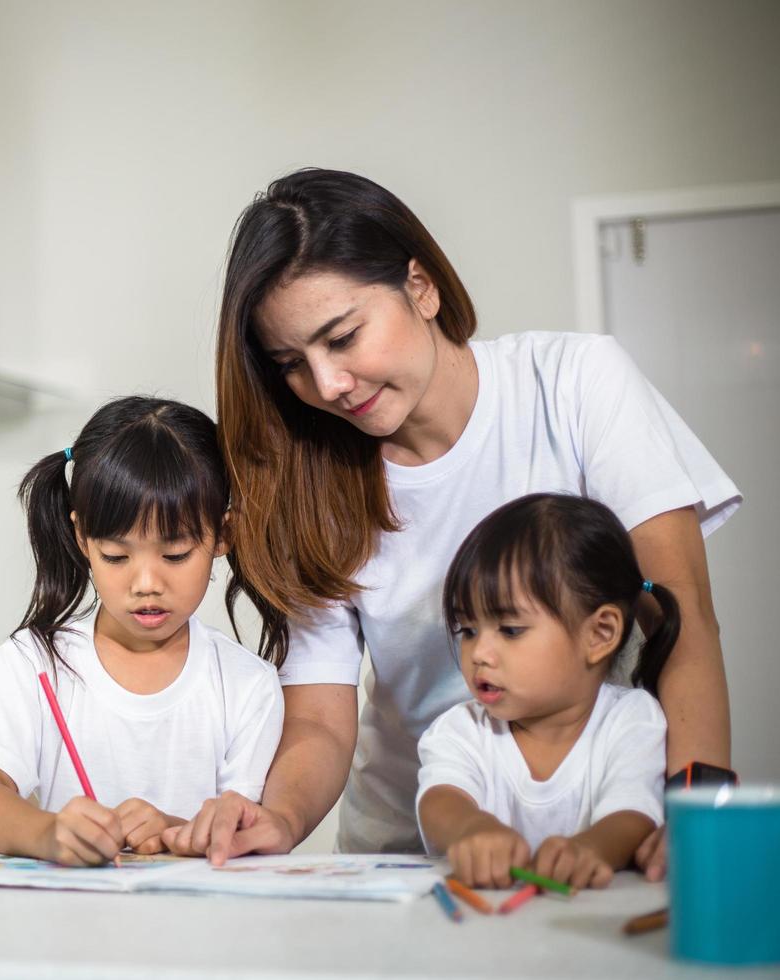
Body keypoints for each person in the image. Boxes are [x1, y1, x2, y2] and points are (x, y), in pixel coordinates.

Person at [164, 168, 738, 875]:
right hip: (409, 854)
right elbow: (318, 716)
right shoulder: (310, 484)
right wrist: (278, 816)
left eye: (342, 337)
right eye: (292, 363)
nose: (327, 385)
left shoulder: (576, 383)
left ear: (421, 287)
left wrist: (697, 813)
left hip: (589, 840)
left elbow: (681, 621)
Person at [0, 396, 284, 866]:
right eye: (115, 556)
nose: (146, 584)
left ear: (222, 536)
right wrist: (47, 833)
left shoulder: (248, 686)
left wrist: (173, 829)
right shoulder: (33, 662)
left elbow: (241, 830)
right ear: (81, 538)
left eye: (174, 555)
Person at [417, 494, 673, 889]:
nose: (479, 654)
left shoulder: (632, 719)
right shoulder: (461, 729)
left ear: (600, 634)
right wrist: (470, 828)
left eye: (510, 630)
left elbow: (634, 811)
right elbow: (439, 799)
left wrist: (594, 848)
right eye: (468, 631)